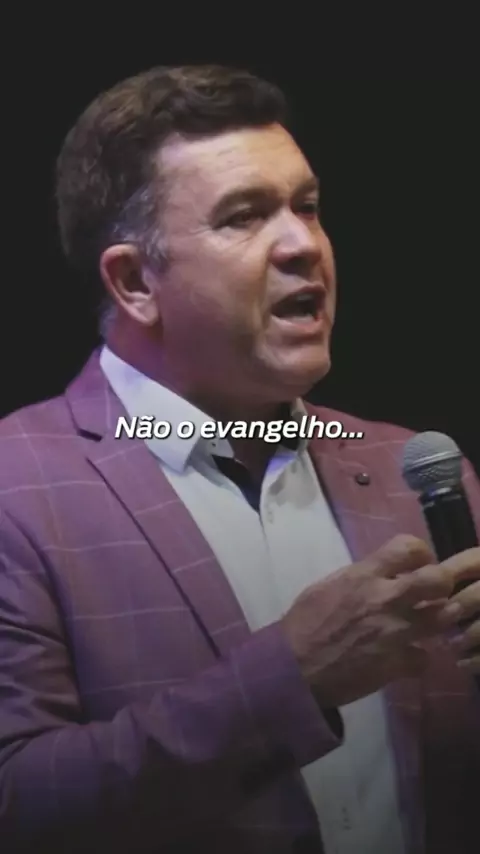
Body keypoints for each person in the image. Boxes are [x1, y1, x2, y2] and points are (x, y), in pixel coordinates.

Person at [0, 65, 479, 854]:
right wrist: (293, 678)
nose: (304, 245)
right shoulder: (19, 488)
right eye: (245, 216)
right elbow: (18, 802)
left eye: (308, 206)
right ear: (134, 281)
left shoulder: (415, 471)